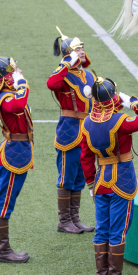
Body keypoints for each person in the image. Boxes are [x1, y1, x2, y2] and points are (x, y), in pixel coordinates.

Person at [80, 76, 138, 275]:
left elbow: (85, 158)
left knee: (102, 230)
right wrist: (131, 100)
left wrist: (90, 184)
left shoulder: (86, 123)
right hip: (122, 180)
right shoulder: (119, 120)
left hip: (100, 182)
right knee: (118, 232)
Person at [0, 48, 32, 263]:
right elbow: (20, 104)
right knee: (4, 202)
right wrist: (21, 82)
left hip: (18, 152)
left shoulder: (9, 93)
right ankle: (2, 250)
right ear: (7, 76)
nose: (19, 72)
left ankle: (2, 249)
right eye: (15, 70)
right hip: (13, 155)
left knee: (6, 200)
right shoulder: (5, 97)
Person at [46, 30, 96, 234]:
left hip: (87, 130)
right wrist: (66, 63)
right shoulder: (63, 74)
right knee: (66, 175)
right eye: (77, 49)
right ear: (68, 53)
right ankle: (64, 221)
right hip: (70, 129)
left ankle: (74, 218)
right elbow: (51, 83)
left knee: (79, 176)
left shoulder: (89, 75)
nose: (82, 51)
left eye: (82, 48)